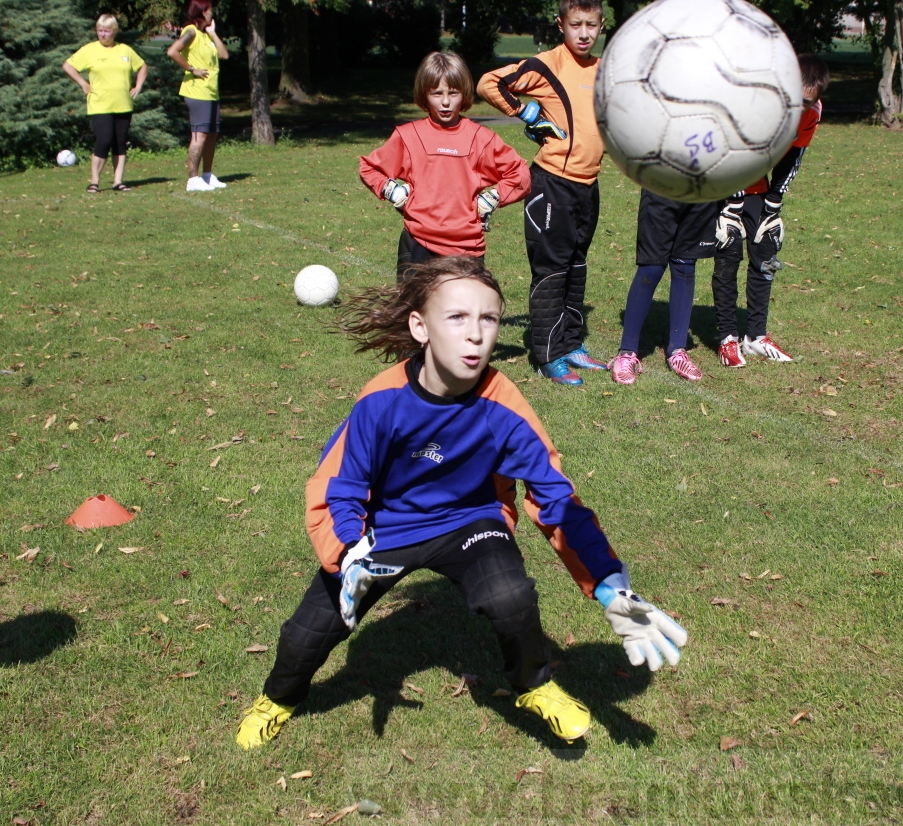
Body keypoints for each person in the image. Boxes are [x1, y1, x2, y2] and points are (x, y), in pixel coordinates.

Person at [235, 257, 687, 750]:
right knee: (305, 635)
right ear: (420, 327)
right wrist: (348, 552)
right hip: (385, 531)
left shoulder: (504, 405)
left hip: (471, 521)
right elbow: (339, 487)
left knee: (509, 595)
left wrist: (608, 585)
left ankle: (534, 685)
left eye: (488, 319)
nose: (476, 335)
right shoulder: (380, 400)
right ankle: (277, 699)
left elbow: (555, 497)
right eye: (457, 318)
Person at [477, 0, 606, 385]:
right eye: (576, 25)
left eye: (592, 25)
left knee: (577, 265)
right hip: (552, 183)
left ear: (601, 26)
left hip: (589, 185)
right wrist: (526, 113)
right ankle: (548, 354)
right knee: (551, 269)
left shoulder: (603, 70)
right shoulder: (547, 64)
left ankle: (570, 344)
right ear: (561, 24)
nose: (584, 33)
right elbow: (489, 83)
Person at [359, 52, 531, 281]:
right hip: (418, 243)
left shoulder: (481, 138)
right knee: (415, 313)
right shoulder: (408, 136)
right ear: (424, 94)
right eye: (436, 93)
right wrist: (392, 191)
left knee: (464, 314)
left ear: (464, 93)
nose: (446, 102)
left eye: (453, 92)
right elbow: (369, 168)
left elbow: (520, 174)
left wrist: (493, 197)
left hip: (467, 247)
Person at [710, 54, 830, 368]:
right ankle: (727, 337)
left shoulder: (811, 111)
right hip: (720, 181)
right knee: (728, 251)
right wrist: (732, 205)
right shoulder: (755, 102)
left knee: (766, 250)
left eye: (807, 102)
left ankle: (756, 336)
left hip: (758, 185)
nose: (800, 108)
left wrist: (773, 206)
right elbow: (729, 148)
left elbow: (793, 158)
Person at [608, 191, 723, 383]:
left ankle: (677, 350)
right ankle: (626, 352)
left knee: (685, 266)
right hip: (662, 185)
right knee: (651, 268)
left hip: (702, 190)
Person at [61, 15, 147, 193]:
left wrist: (138, 86)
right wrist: (83, 83)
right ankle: (94, 181)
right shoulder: (89, 50)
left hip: (123, 104)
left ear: (114, 31)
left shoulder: (125, 50)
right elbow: (68, 66)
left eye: (106, 31)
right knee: (104, 140)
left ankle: (118, 181)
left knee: (120, 143)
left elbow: (142, 66)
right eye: (100, 30)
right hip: (100, 104)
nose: (103, 34)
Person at [166, 0, 229, 193]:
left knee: (211, 135)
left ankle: (207, 175)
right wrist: (192, 69)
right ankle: (192, 179)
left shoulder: (204, 35)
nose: (212, 14)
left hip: (211, 92)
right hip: (197, 92)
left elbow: (224, 55)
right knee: (199, 135)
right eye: (209, 11)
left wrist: (212, 32)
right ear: (201, 12)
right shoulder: (191, 31)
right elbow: (172, 51)